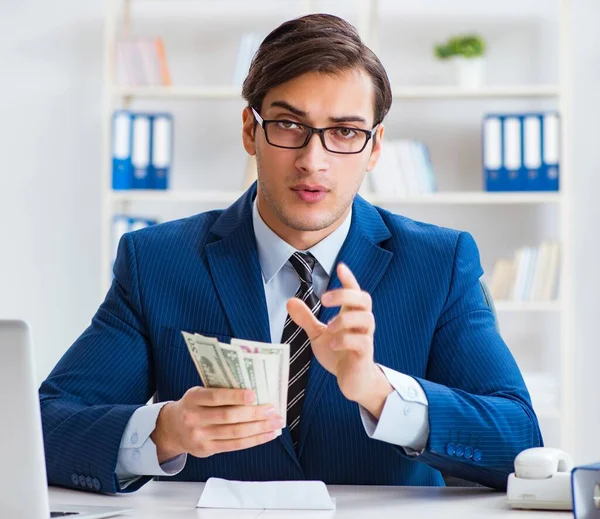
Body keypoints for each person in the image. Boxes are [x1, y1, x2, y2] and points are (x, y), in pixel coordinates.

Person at [39, 13, 542, 495]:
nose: (312, 160)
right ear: (249, 130)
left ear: (374, 148)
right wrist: (162, 431)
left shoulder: (439, 264)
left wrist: (379, 392)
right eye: (287, 125)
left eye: (345, 132)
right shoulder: (158, 261)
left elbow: (519, 440)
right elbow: (41, 427)